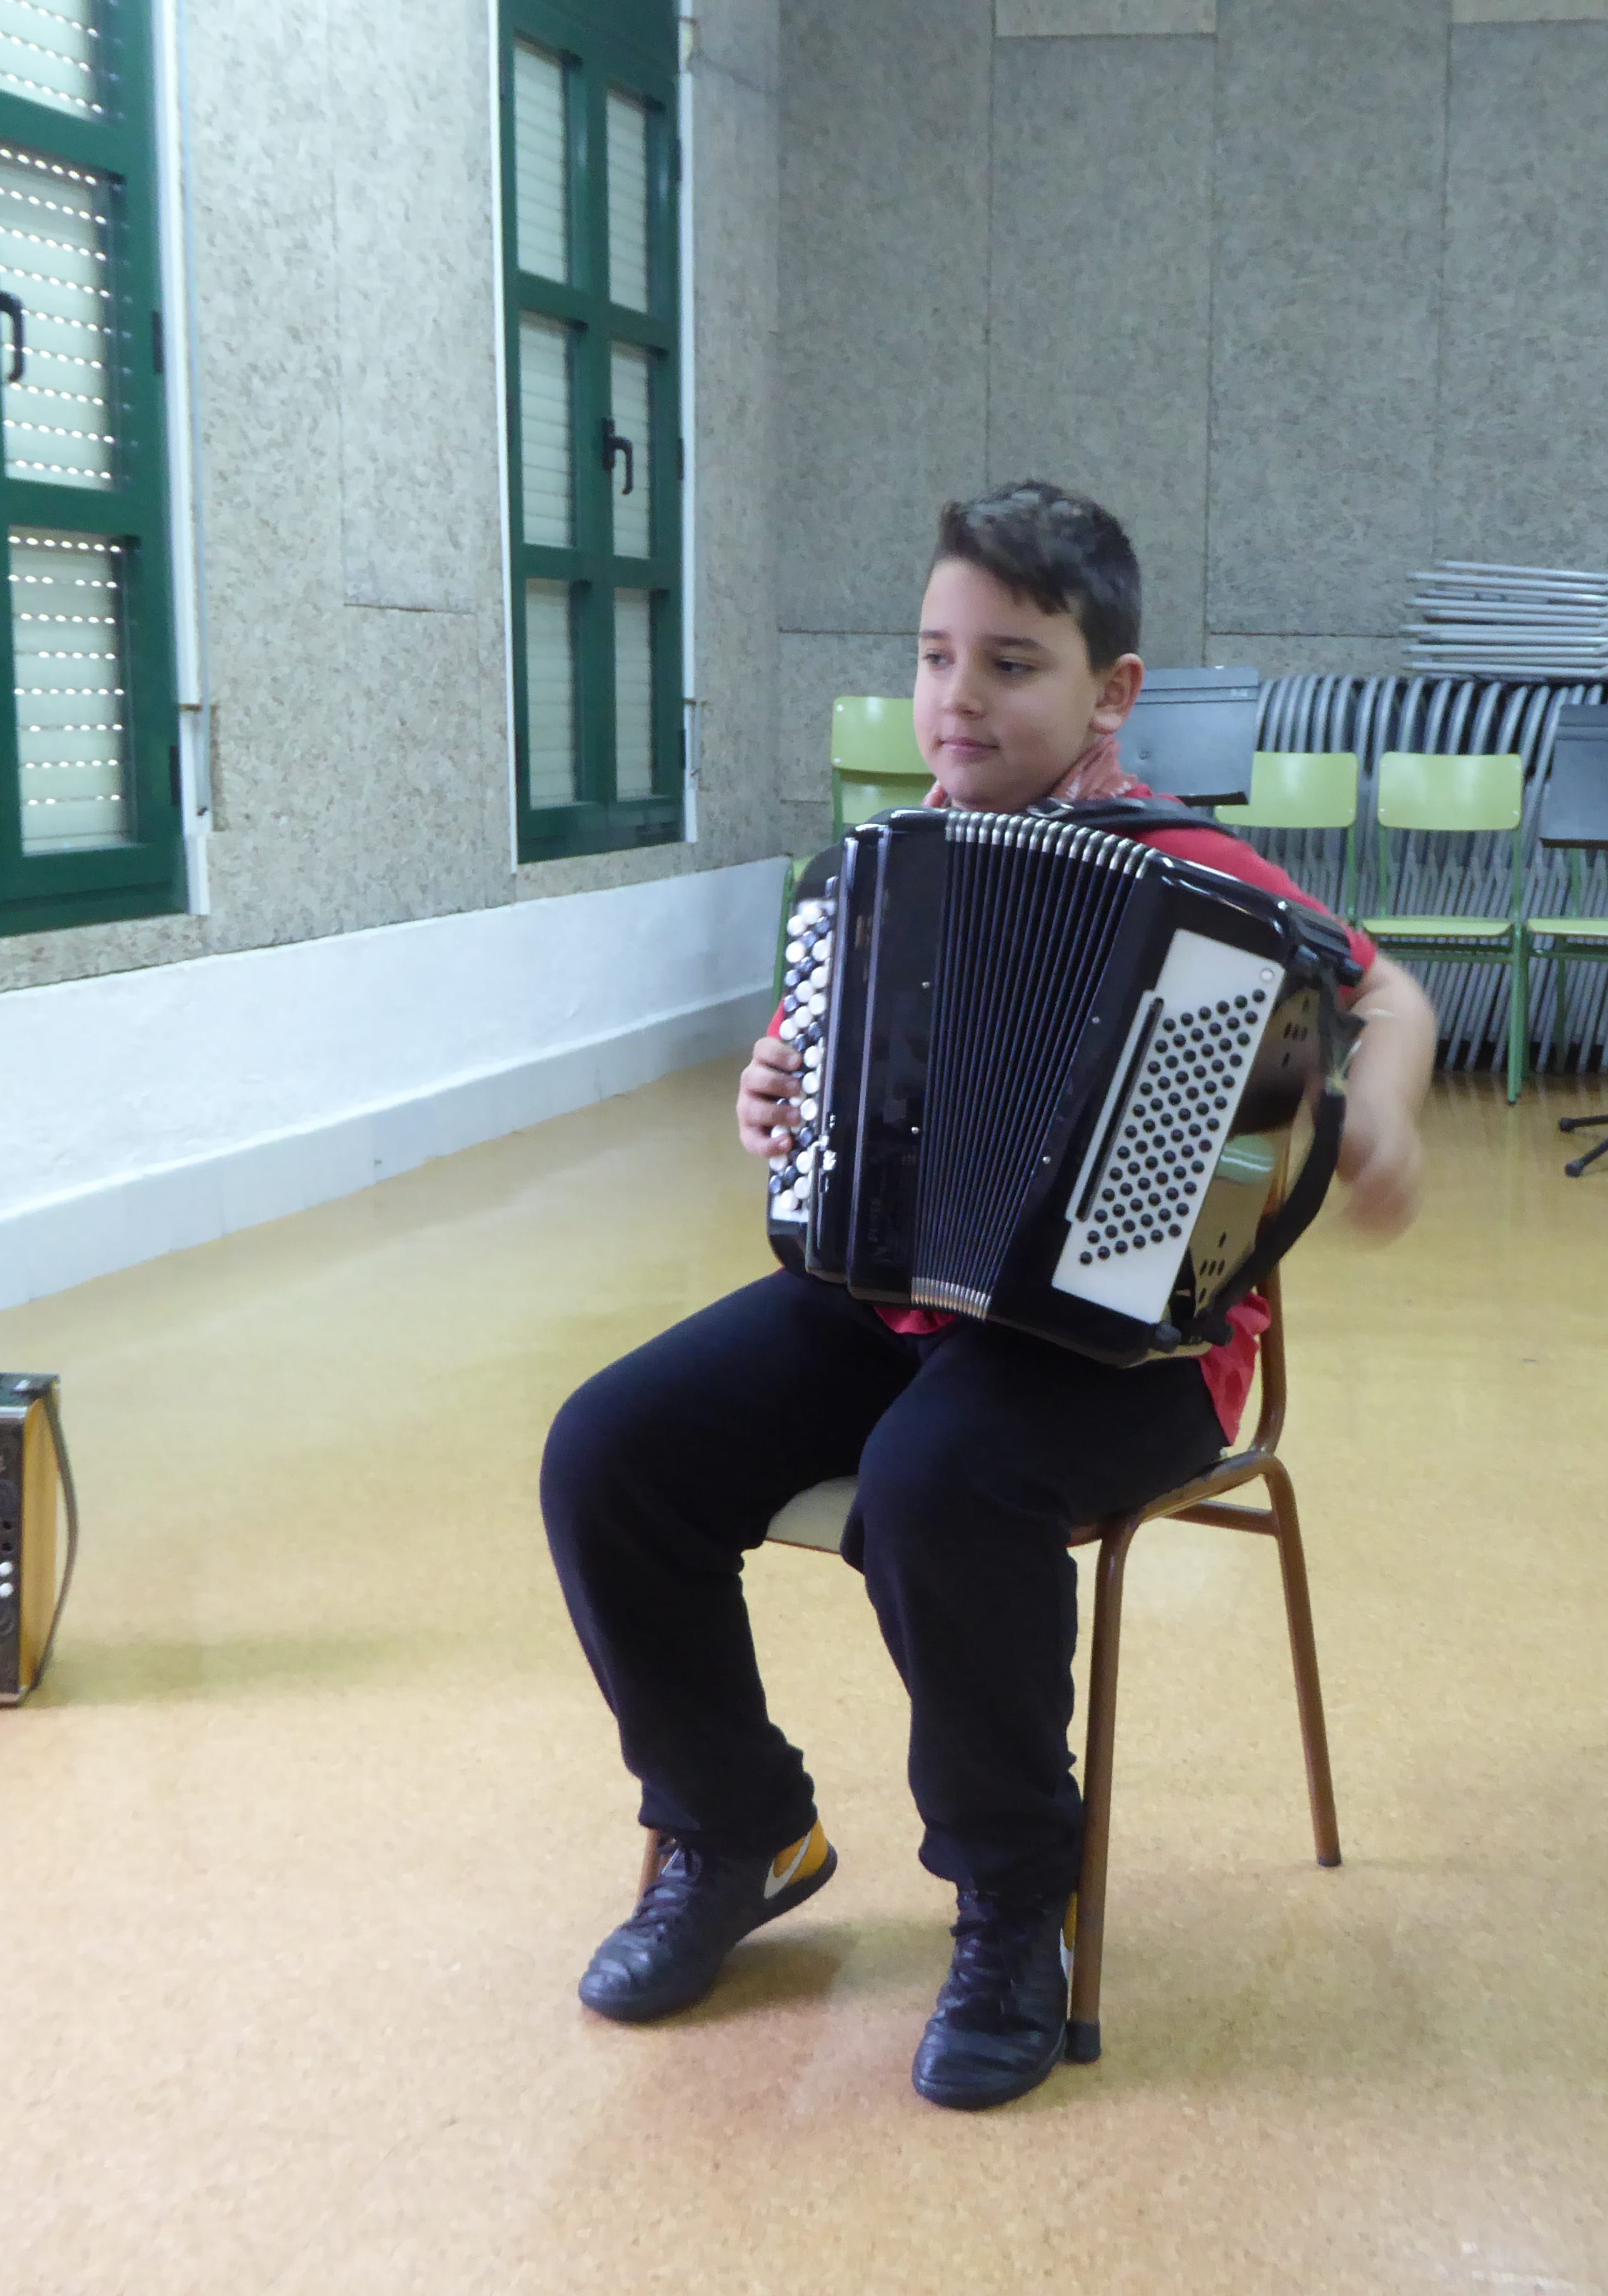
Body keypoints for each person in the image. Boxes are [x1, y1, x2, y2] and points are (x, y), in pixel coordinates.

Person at [540, 481, 1436, 2110]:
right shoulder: (883, 874)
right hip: (898, 1301)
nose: (957, 699)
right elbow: (815, 1078)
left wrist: (1382, 1115)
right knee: (611, 1448)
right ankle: (739, 1830)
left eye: (1012, 664)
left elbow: (1390, 997)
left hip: (1134, 1344)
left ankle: (1020, 1901)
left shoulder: (1201, 873)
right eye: (935, 656)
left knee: (936, 1481)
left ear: (1112, 691)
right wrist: (773, 1097)